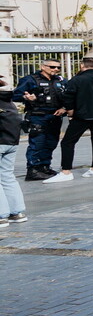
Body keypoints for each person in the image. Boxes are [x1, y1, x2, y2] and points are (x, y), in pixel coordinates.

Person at [44, 57, 93, 183]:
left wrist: (70, 110)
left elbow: (68, 97)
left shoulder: (76, 80)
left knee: (68, 142)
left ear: (82, 66)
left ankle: (66, 171)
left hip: (82, 115)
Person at [13, 59, 66, 180]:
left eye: (58, 67)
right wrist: (26, 97)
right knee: (37, 143)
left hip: (55, 116)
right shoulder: (30, 80)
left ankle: (44, 167)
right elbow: (15, 95)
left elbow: (69, 96)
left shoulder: (60, 80)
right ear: (43, 67)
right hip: (38, 116)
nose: (56, 70)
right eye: (52, 67)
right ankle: (33, 169)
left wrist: (64, 108)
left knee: (51, 143)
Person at [0, 72, 29, 225]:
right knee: (7, 176)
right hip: (11, 141)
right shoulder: (7, 99)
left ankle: (1, 216)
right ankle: (17, 212)